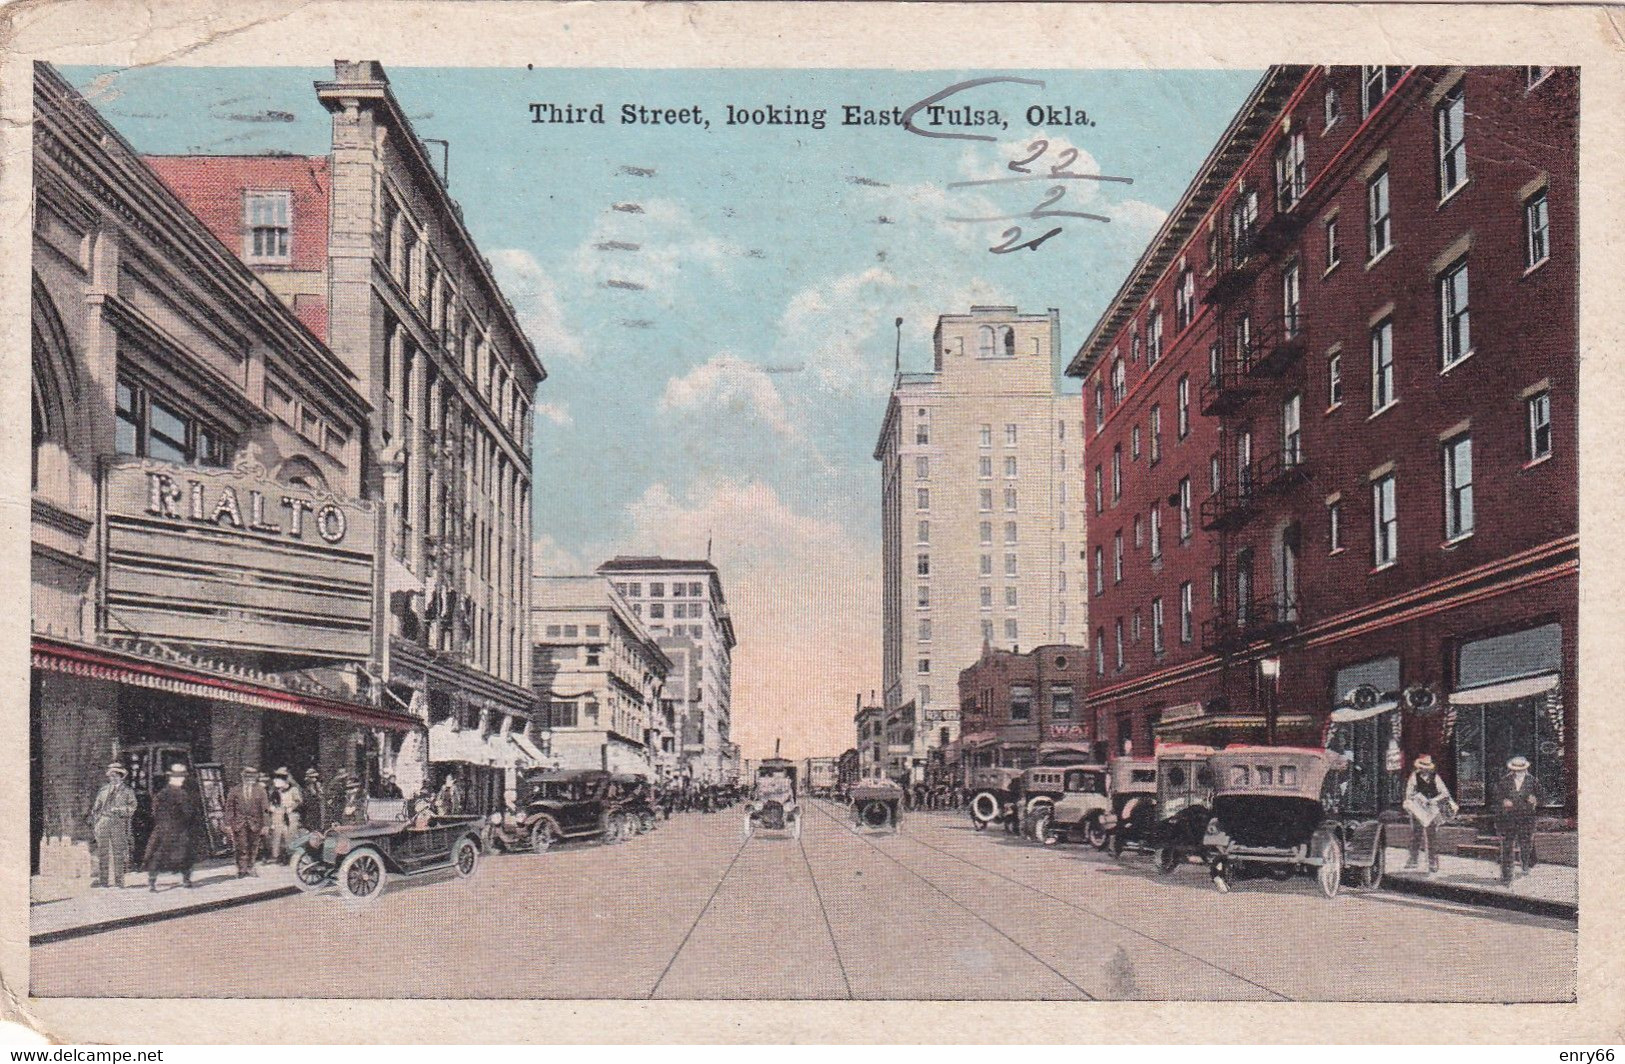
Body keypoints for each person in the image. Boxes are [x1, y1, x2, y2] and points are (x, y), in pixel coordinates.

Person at [143, 764, 199, 890]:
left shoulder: (161, 793)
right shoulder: (183, 794)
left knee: (157, 855)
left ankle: (152, 882)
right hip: (179, 829)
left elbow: (154, 811)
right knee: (184, 855)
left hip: (162, 829)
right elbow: (188, 812)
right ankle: (186, 880)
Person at [87, 761, 137, 889]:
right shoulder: (104, 790)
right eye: (111, 776)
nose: (112, 778)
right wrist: (96, 819)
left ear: (120, 776)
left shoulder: (127, 791)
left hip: (117, 822)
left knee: (117, 852)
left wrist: (119, 810)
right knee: (102, 852)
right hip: (103, 822)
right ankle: (103, 881)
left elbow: (132, 807)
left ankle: (119, 882)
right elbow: (96, 807)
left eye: (115, 775)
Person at [1402, 755, 1454, 873]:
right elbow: (1409, 793)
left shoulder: (1435, 777)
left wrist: (1434, 800)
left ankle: (1432, 862)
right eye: (1422, 767)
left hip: (1431, 810)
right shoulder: (1414, 777)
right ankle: (1413, 859)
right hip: (1418, 809)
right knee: (1416, 834)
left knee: (1431, 836)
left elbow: (1444, 793)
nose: (1424, 769)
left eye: (1426, 767)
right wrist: (1417, 799)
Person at [1494, 755, 1541, 885]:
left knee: (1525, 845)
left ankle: (1525, 863)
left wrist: (1535, 800)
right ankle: (1507, 876)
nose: (1518, 772)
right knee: (1507, 847)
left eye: (1521, 769)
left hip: (1526, 818)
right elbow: (1497, 797)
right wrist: (1504, 801)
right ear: (1512, 769)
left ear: (1525, 769)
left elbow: (1542, 797)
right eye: (1515, 770)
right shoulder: (1504, 781)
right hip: (1509, 819)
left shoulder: (1533, 781)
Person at [224, 766, 269, 877]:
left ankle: (251, 867)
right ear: (243, 777)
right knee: (241, 846)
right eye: (247, 776)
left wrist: (266, 825)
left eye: (252, 777)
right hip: (239, 823)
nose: (249, 779)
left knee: (254, 846)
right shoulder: (234, 790)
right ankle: (241, 869)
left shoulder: (260, 790)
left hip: (255, 823)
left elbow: (265, 809)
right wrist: (228, 824)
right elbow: (229, 808)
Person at [265, 768, 298, 863]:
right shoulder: (275, 791)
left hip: (289, 814)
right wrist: (272, 807)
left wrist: (291, 808)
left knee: (289, 835)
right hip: (278, 814)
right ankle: (277, 855)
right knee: (277, 835)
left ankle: (290, 855)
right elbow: (271, 802)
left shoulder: (293, 789)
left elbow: (298, 801)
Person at [301, 768, 326, 833]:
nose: (314, 779)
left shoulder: (317, 785)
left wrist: (316, 793)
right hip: (309, 807)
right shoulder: (307, 787)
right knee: (310, 822)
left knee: (318, 822)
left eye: (314, 777)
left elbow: (321, 796)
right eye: (312, 777)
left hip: (317, 806)